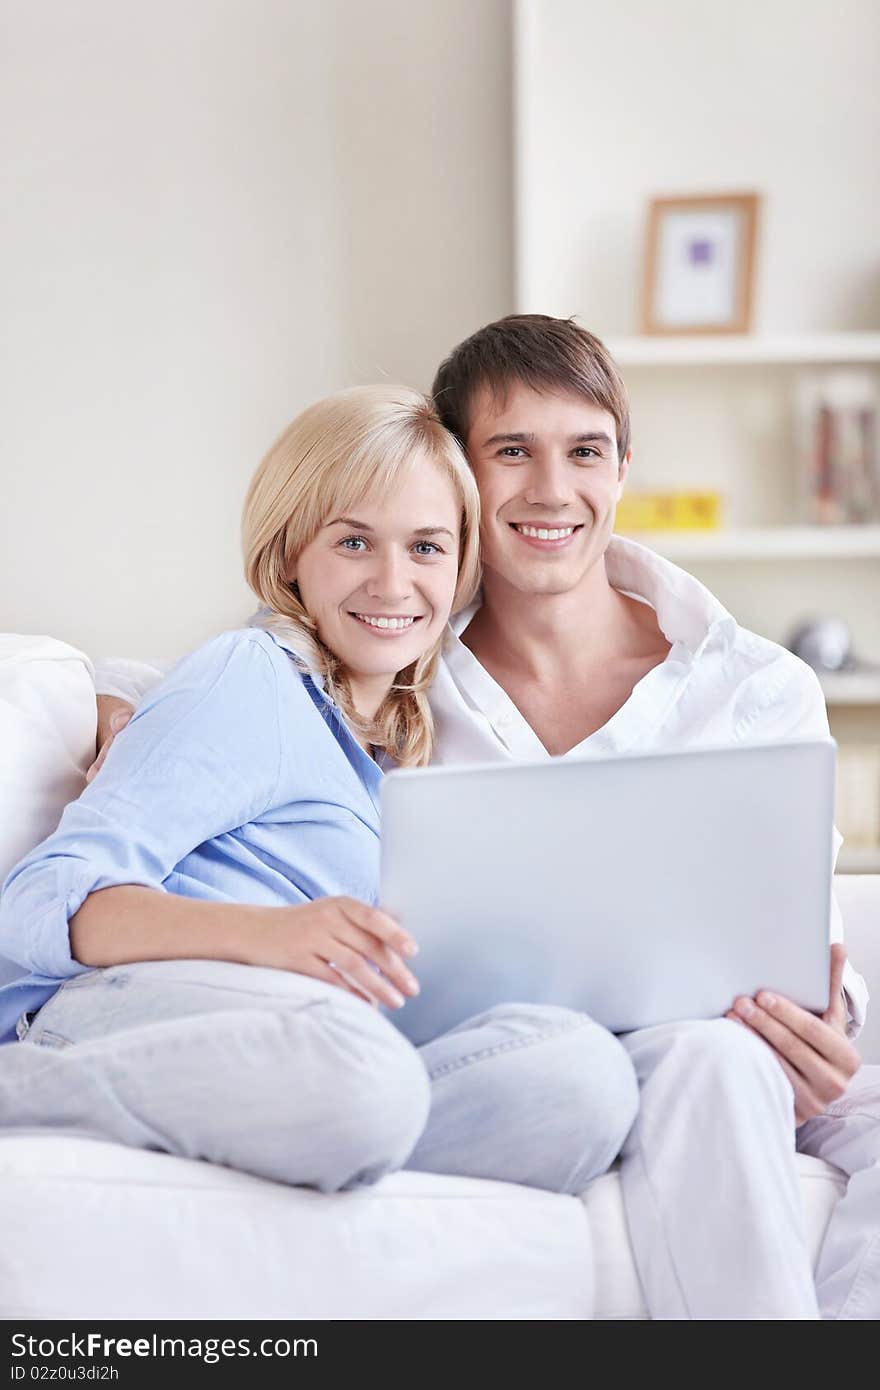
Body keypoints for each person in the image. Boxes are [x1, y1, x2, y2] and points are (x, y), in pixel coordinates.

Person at [89, 317, 880, 1319]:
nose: (551, 490)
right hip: (560, 1047)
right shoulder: (397, 650)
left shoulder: (757, 684)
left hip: (742, 1036)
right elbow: (236, 680)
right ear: (458, 475)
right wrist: (110, 704)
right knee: (709, 1059)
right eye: (512, 451)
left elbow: (801, 927)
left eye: (583, 451)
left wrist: (821, 1026)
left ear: (622, 469)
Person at [0, 382, 641, 1200]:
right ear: (291, 553)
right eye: (353, 543)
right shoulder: (253, 676)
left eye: (426, 548)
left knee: (580, 1076)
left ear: (460, 565)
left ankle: (323, 1148)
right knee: (360, 1074)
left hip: (310, 1052)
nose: (392, 582)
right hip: (123, 1015)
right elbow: (38, 899)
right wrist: (271, 935)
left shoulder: (392, 761)